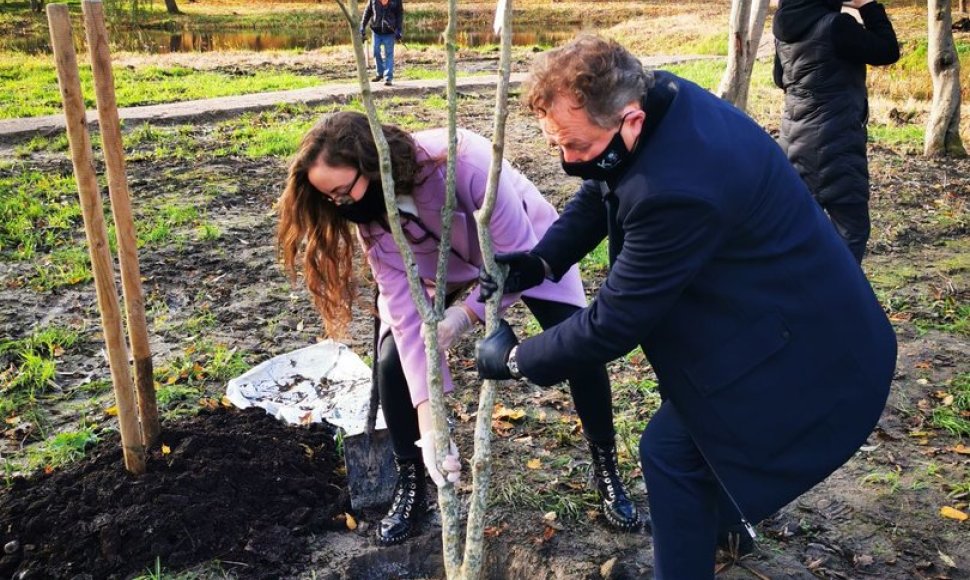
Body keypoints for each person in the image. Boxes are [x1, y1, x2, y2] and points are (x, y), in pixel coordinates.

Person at [475, 35, 897, 578]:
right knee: (697, 417)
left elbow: (614, 321)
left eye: (575, 147)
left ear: (627, 121)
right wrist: (539, 263)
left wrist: (515, 360)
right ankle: (723, 527)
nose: (566, 161)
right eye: (557, 144)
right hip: (762, 308)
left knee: (673, 453)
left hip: (811, 345)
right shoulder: (660, 101)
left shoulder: (675, 189)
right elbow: (602, 187)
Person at [276, 111, 642, 546]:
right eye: (331, 199)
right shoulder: (371, 220)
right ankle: (411, 481)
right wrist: (431, 428)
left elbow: (516, 255)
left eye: (342, 191)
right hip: (439, 268)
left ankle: (606, 468)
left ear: (373, 165)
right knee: (392, 357)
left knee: (577, 342)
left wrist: (466, 315)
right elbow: (405, 312)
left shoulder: (463, 161)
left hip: (524, 251)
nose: (343, 206)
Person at [773, 0, 900, 263]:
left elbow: (779, 78)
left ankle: (802, 294)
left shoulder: (784, 27)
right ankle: (835, 297)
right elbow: (887, 50)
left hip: (793, 139)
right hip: (835, 140)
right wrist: (868, 6)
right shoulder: (836, 26)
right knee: (851, 229)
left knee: (802, 230)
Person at [359, 0, 404, 86]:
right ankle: (380, 73)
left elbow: (399, 14)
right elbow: (367, 12)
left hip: (390, 31)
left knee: (389, 54)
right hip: (376, 31)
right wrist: (362, 26)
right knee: (375, 52)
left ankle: (388, 78)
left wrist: (399, 29)